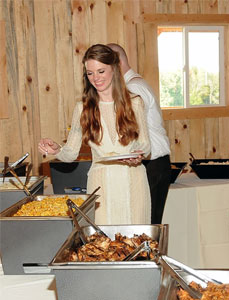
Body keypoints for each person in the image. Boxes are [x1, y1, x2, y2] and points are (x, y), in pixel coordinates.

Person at [38, 44, 151, 225]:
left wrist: (137, 154)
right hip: (101, 185)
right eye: (90, 73)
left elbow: (146, 144)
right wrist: (57, 149)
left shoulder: (135, 103)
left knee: (135, 243)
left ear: (113, 69)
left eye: (100, 71)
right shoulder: (82, 109)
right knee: (102, 246)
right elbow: (70, 154)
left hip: (133, 181)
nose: (95, 78)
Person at [107, 43, 171, 224]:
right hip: (153, 163)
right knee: (148, 226)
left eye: (105, 69)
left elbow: (131, 130)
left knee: (144, 227)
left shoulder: (133, 89)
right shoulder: (136, 84)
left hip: (150, 165)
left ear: (117, 63)